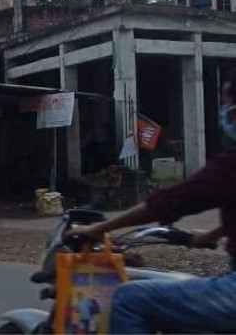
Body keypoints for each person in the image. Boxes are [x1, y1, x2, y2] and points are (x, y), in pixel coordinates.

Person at [67, 73, 236, 333]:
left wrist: (98, 229)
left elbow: (168, 203)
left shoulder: (228, 167)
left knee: (128, 299)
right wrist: (210, 235)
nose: (226, 116)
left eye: (227, 107)